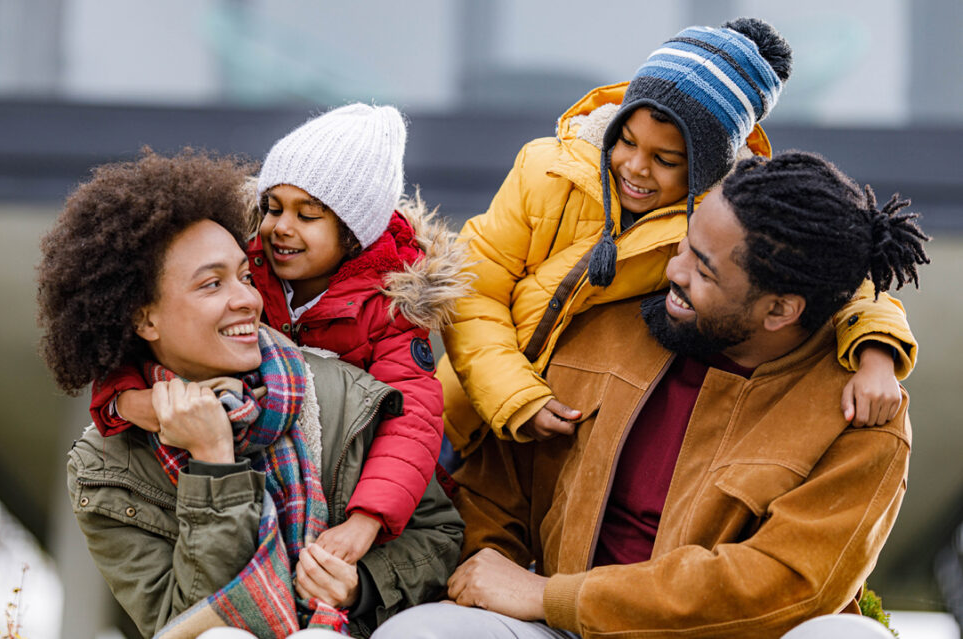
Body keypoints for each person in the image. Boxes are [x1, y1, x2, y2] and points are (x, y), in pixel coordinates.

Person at [372, 150, 929, 638]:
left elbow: (785, 586)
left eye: (704, 271)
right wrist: (495, 570)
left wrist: (553, 596)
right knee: (420, 633)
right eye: (684, 246)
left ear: (780, 310)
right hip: (557, 632)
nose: (672, 270)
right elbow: (496, 490)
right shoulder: (603, 325)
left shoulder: (861, 417)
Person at [436, 18, 916, 461]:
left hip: (559, 441)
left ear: (707, 163)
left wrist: (878, 356)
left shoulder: (727, 213)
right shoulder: (546, 171)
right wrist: (514, 396)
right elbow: (476, 289)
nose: (635, 167)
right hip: (459, 414)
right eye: (626, 141)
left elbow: (841, 277)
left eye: (665, 159)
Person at [37, 150, 463, 638]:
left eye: (244, 275)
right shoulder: (106, 466)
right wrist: (213, 465)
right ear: (143, 317)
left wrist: (360, 584)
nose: (246, 299)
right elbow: (184, 623)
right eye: (212, 284)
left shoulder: (341, 390)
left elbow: (441, 535)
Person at [88, 104, 468, 565]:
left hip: (344, 481)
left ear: (353, 235)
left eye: (308, 215)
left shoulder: (390, 308)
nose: (280, 227)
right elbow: (152, 338)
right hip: (258, 451)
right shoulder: (244, 272)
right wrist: (129, 401)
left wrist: (366, 520)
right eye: (272, 207)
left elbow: (412, 422)